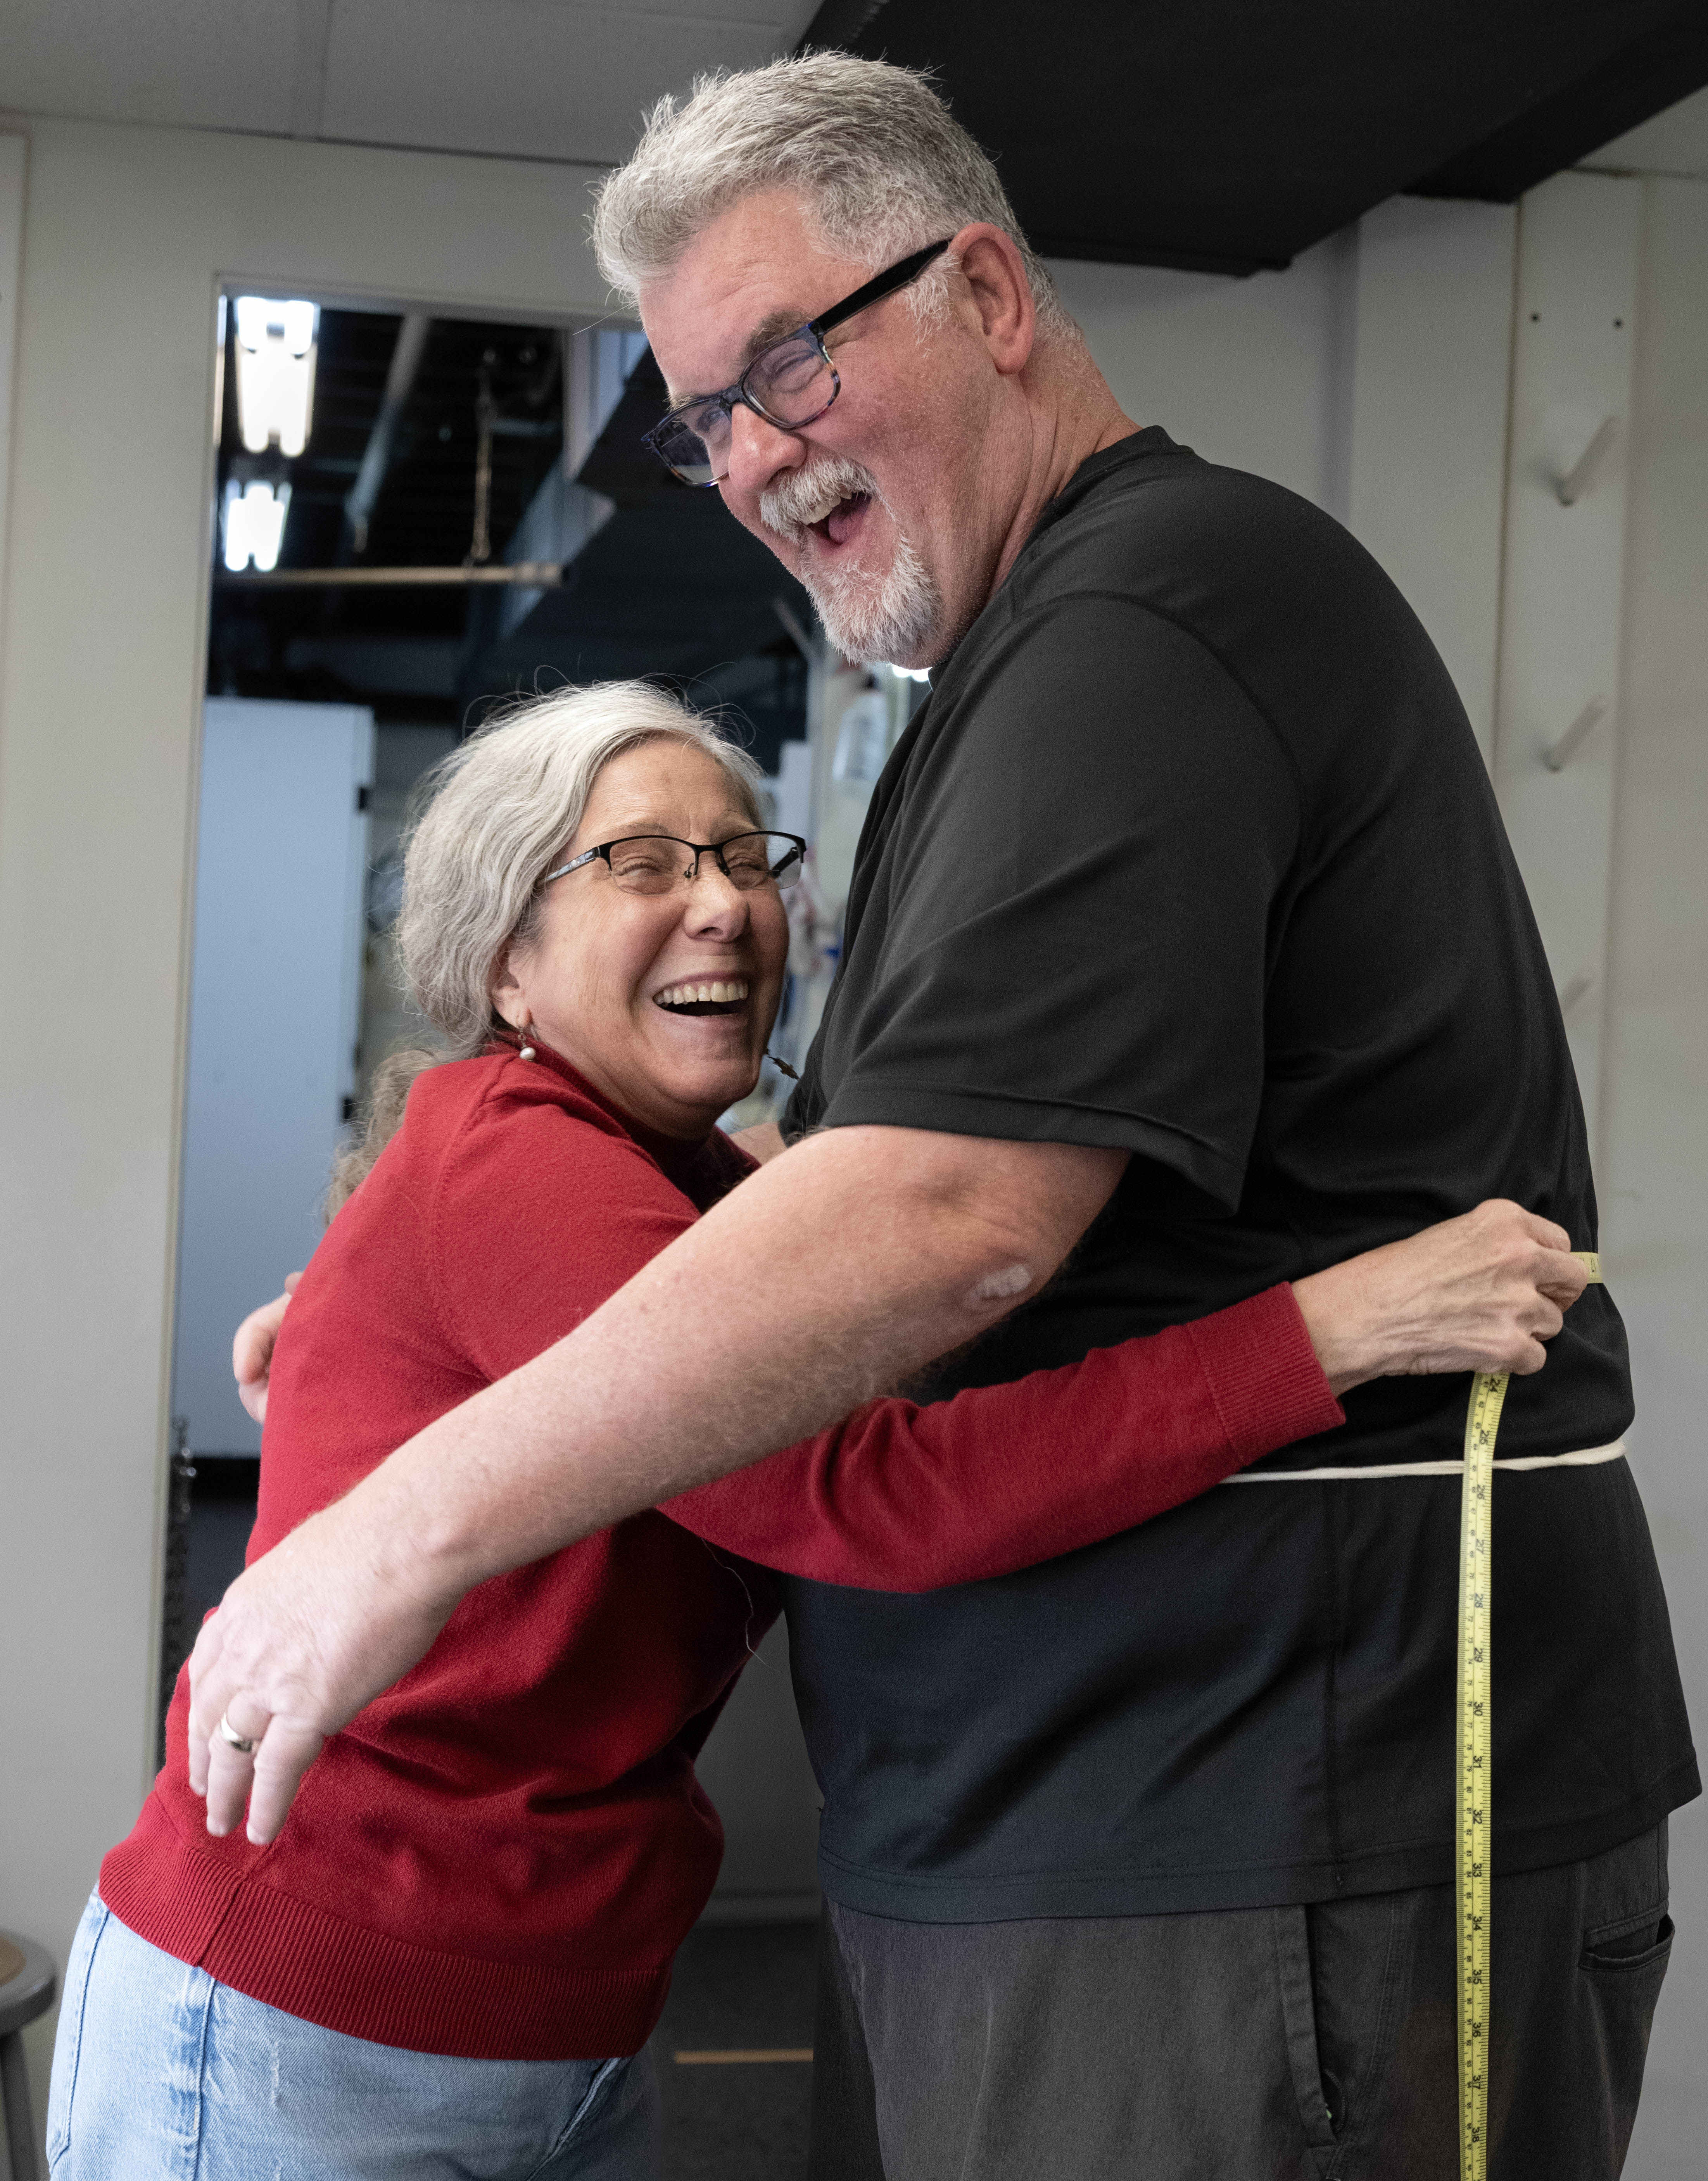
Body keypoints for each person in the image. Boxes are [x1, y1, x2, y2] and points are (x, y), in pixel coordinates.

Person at [188, 55, 1694, 2181]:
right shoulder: (1005, 692)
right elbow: (852, 1205)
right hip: (1086, 1828)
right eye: (703, 417)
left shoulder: (1145, 621)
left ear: (985, 291)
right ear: (494, 958)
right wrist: (411, 1305)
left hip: (1246, 1810)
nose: (748, 455)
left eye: (788, 363)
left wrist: (406, 1507)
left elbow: (948, 1215)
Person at [49, 685, 1569, 2181]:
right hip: (308, 2036)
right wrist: (1339, 1329)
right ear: (507, 962)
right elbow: (871, 1495)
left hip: (537, 2027)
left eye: (740, 856)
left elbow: (802, 1212)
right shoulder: (526, 1167)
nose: (722, 907)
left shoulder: (666, 1174)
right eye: (641, 864)